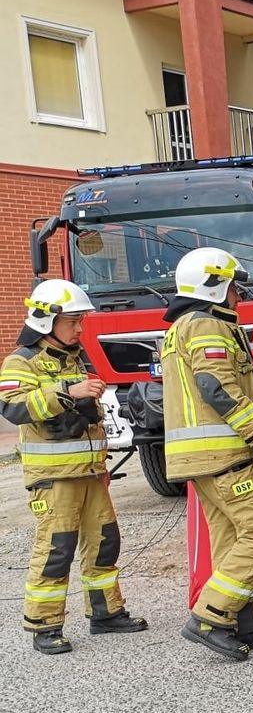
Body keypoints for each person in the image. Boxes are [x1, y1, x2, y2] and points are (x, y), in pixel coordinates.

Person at [0, 279, 148, 654]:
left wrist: (100, 464)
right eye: (73, 321)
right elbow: (13, 407)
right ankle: (44, 625)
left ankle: (105, 614)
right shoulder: (21, 361)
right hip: (54, 480)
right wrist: (68, 392)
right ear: (46, 321)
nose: (80, 328)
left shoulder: (76, 358)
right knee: (56, 549)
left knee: (104, 543)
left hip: (89, 473)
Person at [160, 247, 253, 661]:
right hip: (226, 454)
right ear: (215, 286)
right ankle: (211, 617)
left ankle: (246, 621)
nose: (239, 295)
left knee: (232, 537)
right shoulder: (205, 326)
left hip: (202, 459)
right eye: (234, 287)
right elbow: (217, 388)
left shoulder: (182, 327)